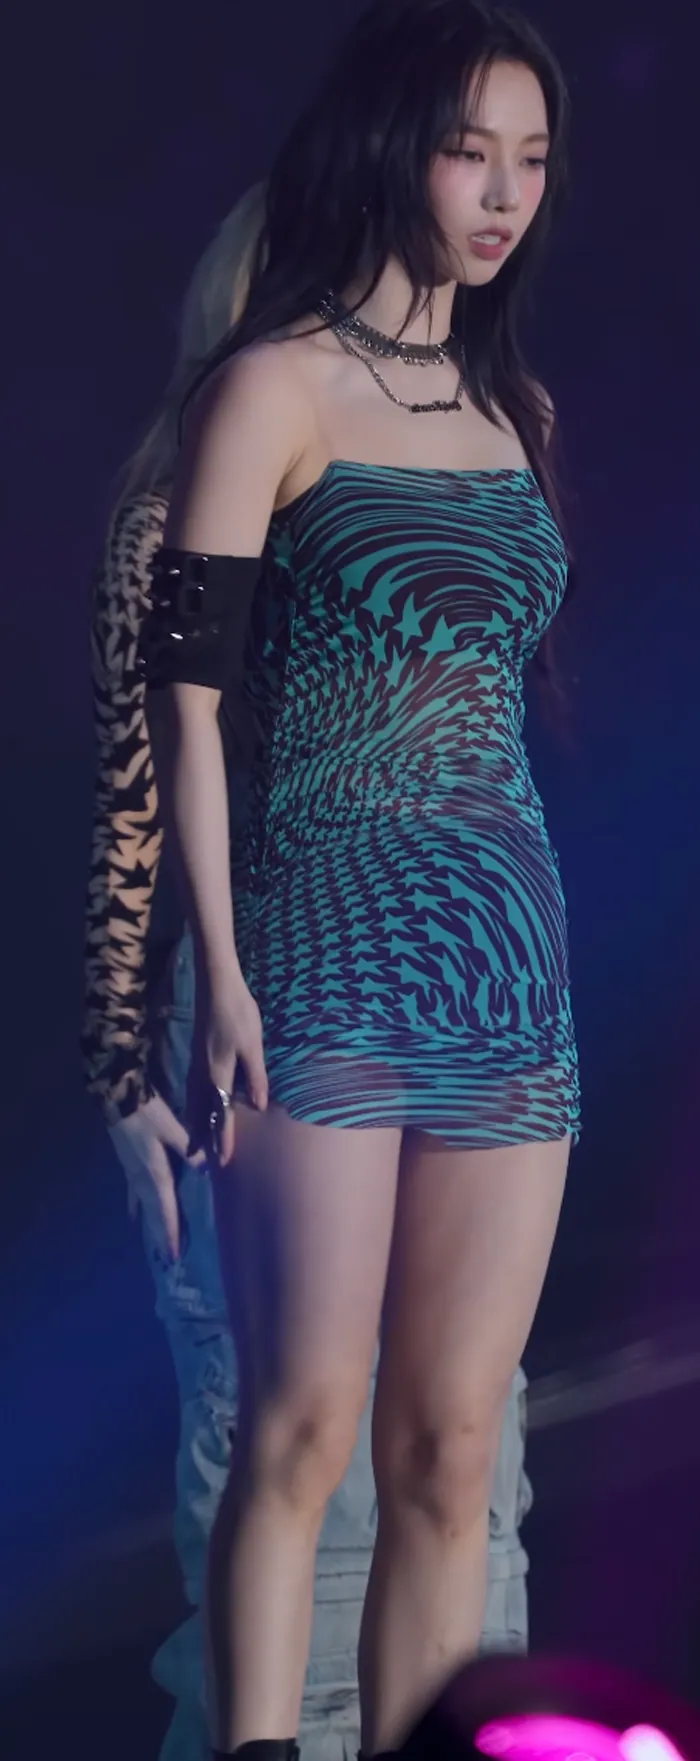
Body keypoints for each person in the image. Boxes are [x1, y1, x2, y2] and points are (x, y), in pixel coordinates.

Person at [143, 0, 581, 1752]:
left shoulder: (515, 408)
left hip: (509, 964)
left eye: (532, 160)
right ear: (394, 147)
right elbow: (184, 704)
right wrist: (218, 974)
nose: (505, 195)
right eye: (472, 151)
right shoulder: (273, 387)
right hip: (320, 952)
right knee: (304, 1424)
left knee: (452, 1449)